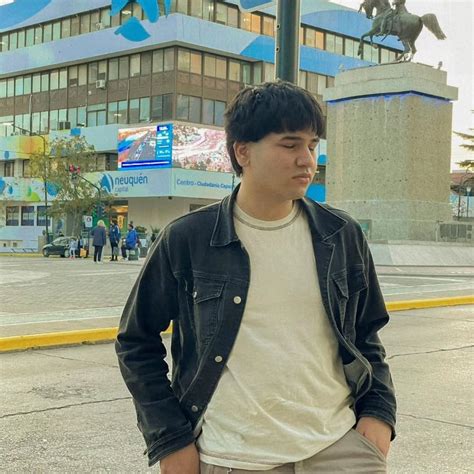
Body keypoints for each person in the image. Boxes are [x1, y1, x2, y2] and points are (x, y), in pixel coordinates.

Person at [116, 81, 396, 473]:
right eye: (290, 145)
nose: (307, 160)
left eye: (313, 145)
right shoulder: (188, 239)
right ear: (242, 151)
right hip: (233, 457)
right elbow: (136, 342)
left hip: (339, 449)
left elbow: (367, 335)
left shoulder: (340, 235)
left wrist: (380, 413)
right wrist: (170, 440)